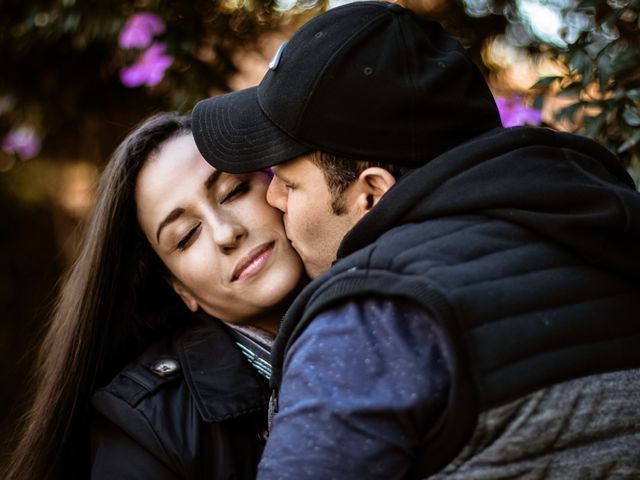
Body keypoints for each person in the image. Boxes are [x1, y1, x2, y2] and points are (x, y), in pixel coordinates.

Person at [191, 2, 640, 478]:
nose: (274, 198)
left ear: (372, 194)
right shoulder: (605, 233)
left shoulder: (369, 322)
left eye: (290, 182)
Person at [3, 113, 305, 480]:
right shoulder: (146, 430)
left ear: (280, 184)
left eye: (234, 191)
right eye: (186, 235)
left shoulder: (386, 291)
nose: (226, 233)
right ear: (180, 287)